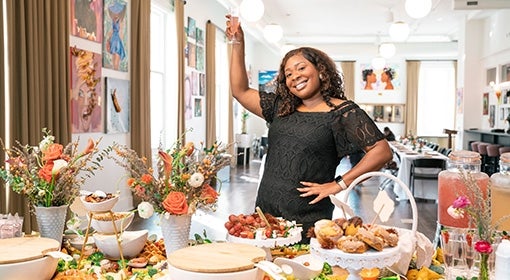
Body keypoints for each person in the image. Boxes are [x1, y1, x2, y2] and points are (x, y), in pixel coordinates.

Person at [226, 19, 393, 242]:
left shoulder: (342, 112)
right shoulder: (280, 108)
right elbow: (240, 90)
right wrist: (238, 43)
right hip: (266, 213)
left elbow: (381, 151)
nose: (294, 76)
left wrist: (338, 184)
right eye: (288, 74)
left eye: (301, 68)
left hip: (308, 217)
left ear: (321, 71)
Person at [106, 1, 127, 71]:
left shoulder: (121, 21)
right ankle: (114, 67)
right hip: (113, 39)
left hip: (117, 39)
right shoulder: (113, 21)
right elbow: (112, 30)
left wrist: (120, 38)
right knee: (113, 53)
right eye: (114, 12)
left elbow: (121, 30)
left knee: (117, 52)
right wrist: (108, 38)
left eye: (117, 12)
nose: (116, 14)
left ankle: (116, 68)